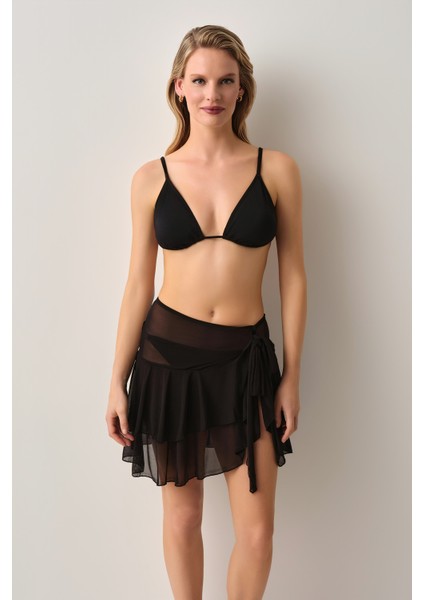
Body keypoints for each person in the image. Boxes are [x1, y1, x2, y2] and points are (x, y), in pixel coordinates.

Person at [105, 24, 307, 600]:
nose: (211, 93)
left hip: (247, 362)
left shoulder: (277, 169)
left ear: (242, 89)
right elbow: (137, 284)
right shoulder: (151, 178)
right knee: (182, 518)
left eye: (224, 81)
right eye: (199, 80)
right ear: (179, 87)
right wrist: (116, 380)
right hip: (167, 359)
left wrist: (292, 375)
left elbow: (293, 277)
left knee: (258, 533)